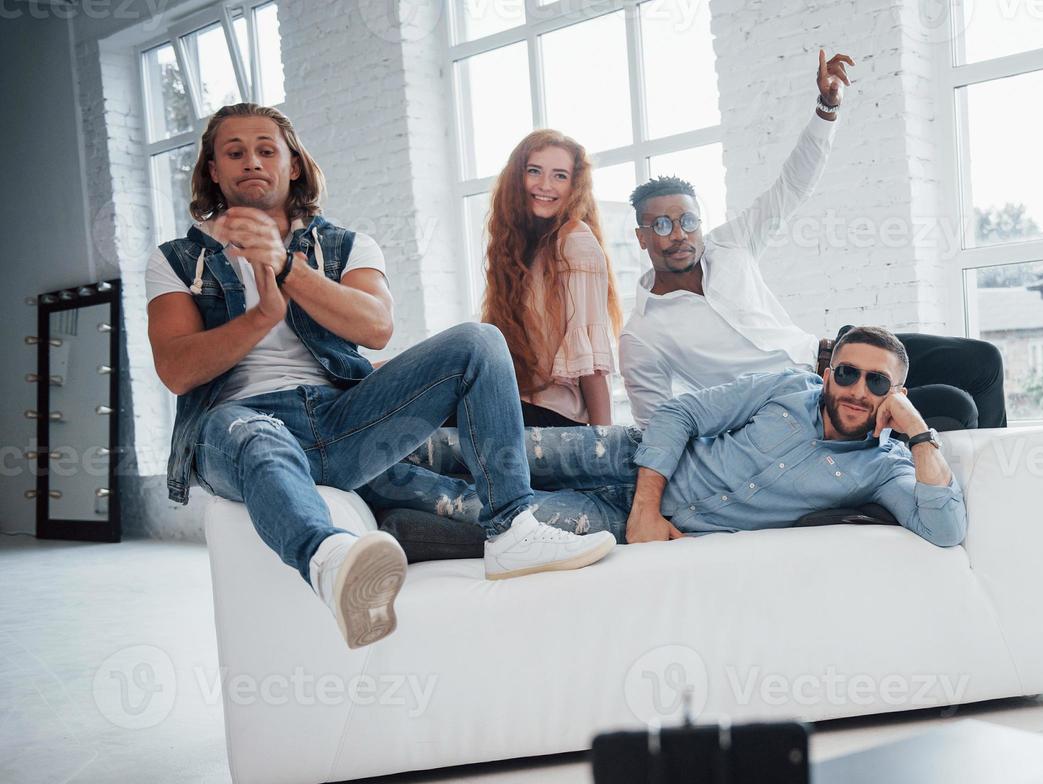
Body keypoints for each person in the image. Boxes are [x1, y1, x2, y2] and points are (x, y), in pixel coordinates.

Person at [145, 103, 614, 649]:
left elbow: (376, 328)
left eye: (266, 149)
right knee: (253, 432)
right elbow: (177, 370)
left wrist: (285, 268)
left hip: (343, 420)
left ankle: (511, 530)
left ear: (292, 165)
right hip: (238, 426)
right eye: (235, 152)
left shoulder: (345, 246)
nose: (252, 161)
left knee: (480, 342)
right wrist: (261, 318)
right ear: (213, 170)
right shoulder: (177, 259)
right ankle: (330, 562)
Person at [618, 48, 1007, 431]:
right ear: (641, 237)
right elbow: (657, 426)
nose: (679, 234)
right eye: (663, 225)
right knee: (954, 407)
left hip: (842, 353)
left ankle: (991, 483)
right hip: (806, 407)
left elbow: (792, 186)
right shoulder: (642, 334)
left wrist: (827, 108)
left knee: (982, 362)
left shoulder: (730, 245)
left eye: (687, 220)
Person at [517, 326, 966, 547]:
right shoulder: (788, 386)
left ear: (897, 395)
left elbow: (944, 530)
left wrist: (919, 432)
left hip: (618, 519)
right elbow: (681, 412)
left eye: (877, 382)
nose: (857, 390)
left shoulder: (886, 468)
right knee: (464, 449)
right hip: (623, 457)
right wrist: (646, 510)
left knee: (481, 510)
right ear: (828, 376)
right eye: (848, 374)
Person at [481, 130, 620, 427]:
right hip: (516, 404)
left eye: (559, 176)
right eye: (534, 171)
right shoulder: (519, 248)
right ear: (517, 178)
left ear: (574, 186)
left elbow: (591, 360)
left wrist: (602, 446)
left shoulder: (574, 239)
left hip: (554, 416)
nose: (545, 185)